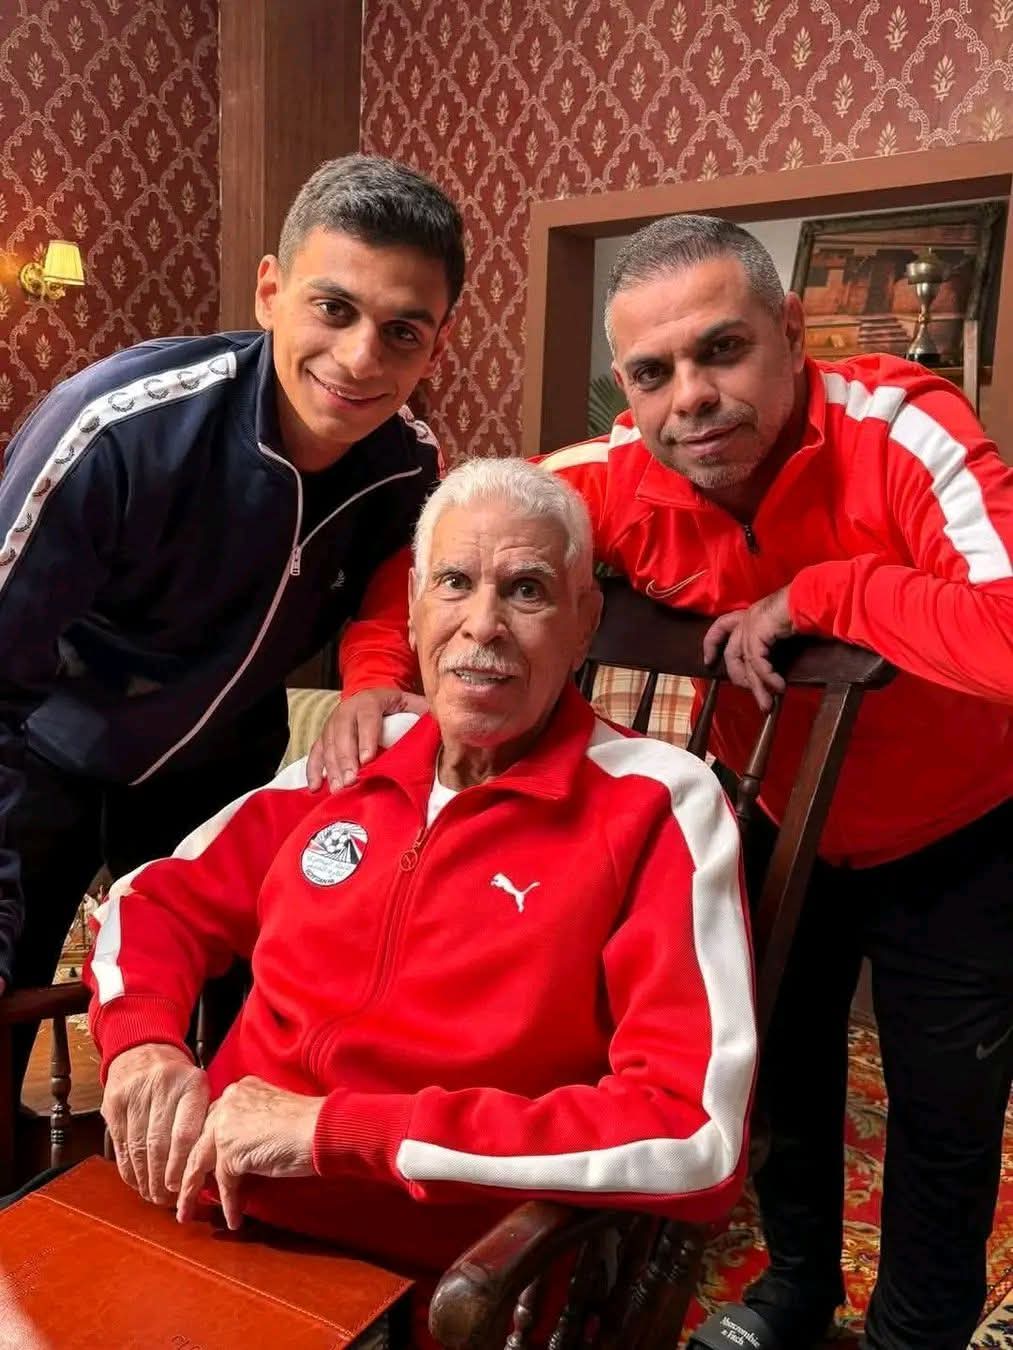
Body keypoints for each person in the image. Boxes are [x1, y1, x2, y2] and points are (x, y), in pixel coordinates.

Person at [332, 216, 1013, 1350]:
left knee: (943, 1108)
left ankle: (915, 1335)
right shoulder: (615, 476)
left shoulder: (898, 425)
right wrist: (371, 678)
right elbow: (429, 554)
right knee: (770, 1071)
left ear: (790, 332)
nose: (689, 398)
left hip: (962, 828)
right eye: (650, 374)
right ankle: (794, 1291)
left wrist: (825, 592)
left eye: (721, 351)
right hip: (779, 816)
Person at [84, 458, 755, 1347]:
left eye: (526, 590)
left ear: (583, 622)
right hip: (209, 1218)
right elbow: (154, 902)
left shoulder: (656, 804)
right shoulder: (356, 761)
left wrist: (341, 1131)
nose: (483, 625)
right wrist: (142, 1046)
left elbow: (689, 1131)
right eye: (454, 582)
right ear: (412, 611)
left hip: (444, 1290)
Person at [0, 155, 462, 1085]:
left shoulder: (407, 467)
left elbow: (393, 595)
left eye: (401, 331)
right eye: (333, 308)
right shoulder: (118, 428)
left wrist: (374, 684)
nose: (360, 359)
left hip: (217, 777)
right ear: (270, 291)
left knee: (234, 1036)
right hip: (43, 759)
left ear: (435, 344)